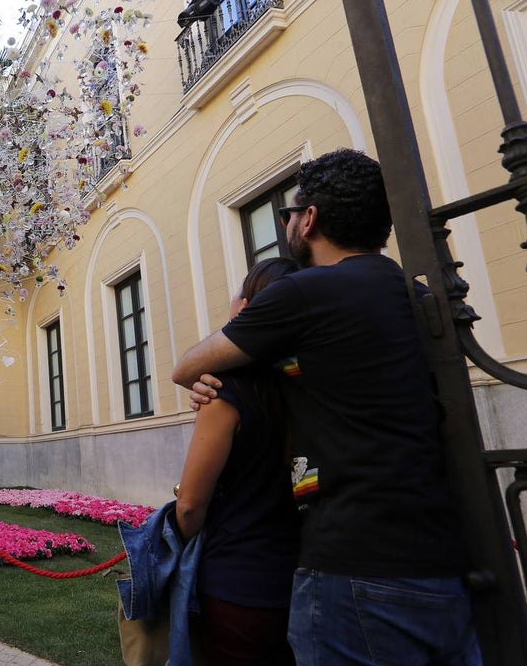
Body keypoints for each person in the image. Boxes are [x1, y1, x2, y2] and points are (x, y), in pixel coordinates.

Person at [171, 149, 480, 666]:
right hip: (444, 559)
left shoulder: (303, 293)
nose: (287, 224)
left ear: (309, 218)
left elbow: (186, 366)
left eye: (288, 212)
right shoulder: (413, 292)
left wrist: (214, 381)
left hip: (353, 562)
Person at [174, 257, 300, 666]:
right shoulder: (309, 385)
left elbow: (190, 505)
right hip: (304, 577)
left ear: (246, 308)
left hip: (237, 582)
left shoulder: (224, 392)